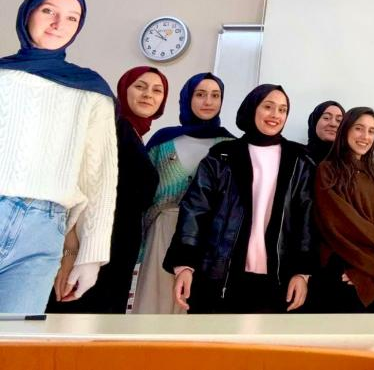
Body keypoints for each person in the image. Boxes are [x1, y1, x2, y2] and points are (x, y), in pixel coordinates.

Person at [0, 0, 118, 313]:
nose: (57, 24)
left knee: (16, 339)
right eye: (48, 11)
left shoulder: (91, 90)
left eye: (71, 18)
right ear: (28, 13)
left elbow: (99, 178)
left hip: (44, 230)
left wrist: (90, 256)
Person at [163, 84, 315, 313]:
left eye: (282, 110)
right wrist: (185, 265)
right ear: (252, 108)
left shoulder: (299, 159)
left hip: (277, 278)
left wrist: (302, 272)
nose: (275, 115)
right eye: (268, 107)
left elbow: (306, 217)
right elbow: (195, 209)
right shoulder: (223, 154)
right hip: (219, 274)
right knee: (215, 336)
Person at [49, 66, 167, 313]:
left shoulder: (134, 134)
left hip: (117, 249)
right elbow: (78, 186)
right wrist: (70, 250)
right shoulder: (111, 126)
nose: (148, 94)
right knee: (73, 321)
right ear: (123, 90)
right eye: (140, 86)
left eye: (157, 91)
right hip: (90, 247)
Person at [132, 72, 234, 314]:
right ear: (188, 98)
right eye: (200, 94)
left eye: (215, 95)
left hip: (209, 237)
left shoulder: (230, 146)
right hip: (163, 232)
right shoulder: (163, 140)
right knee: (154, 307)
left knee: (193, 309)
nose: (208, 101)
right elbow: (141, 194)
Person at [312, 107, 374, 313]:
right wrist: (370, 265)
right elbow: (340, 225)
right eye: (359, 128)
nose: (365, 136)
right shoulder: (328, 170)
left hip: (373, 276)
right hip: (344, 272)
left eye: (371, 131)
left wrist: (373, 269)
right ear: (346, 129)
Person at [306, 100, 345, 165]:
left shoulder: (349, 163)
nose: (333, 124)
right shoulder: (298, 158)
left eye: (339, 120)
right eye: (326, 118)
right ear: (314, 122)